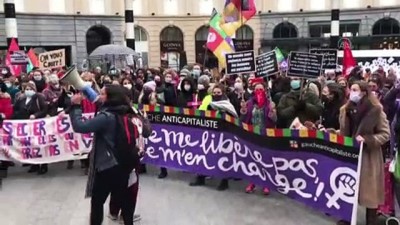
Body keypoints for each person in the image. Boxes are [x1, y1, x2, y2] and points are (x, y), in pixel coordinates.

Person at [69, 85, 138, 225]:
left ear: (110, 97)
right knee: (125, 201)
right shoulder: (127, 111)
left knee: (97, 202)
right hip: (124, 163)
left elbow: (80, 127)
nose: (99, 96)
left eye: (102, 94)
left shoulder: (106, 117)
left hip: (107, 164)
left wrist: (76, 107)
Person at [337, 80, 390, 225]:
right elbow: (343, 132)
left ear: (364, 92)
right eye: (351, 89)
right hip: (350, 155)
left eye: (355, 89)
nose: (352, 92)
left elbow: (385, 134)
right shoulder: (345, 110)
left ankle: (371, 220)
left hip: (369, 158)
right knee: (348, 186)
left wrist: (367, 139)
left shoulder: (376, 110)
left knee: (369, 193)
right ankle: (347, 218)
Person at [190, 84, 237, 191]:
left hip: (223, 133)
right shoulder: (208, 101)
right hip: (208, 131)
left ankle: (224, 181)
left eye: (218, 93)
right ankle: (200, 177)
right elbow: (201, 112)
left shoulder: (227, 103)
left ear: (223, 93)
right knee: (204, 154)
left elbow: (233, 116)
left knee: (222, 157)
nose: (216, 95)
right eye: (214, 93)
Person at [241, 78, 276, 195]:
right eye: (256, 89)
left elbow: (275, 120)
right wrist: (244, 110)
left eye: (261, 89)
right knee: (253, 159)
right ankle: (252, 182)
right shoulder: (249, 103)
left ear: (265, 90)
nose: (259, 91)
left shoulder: (270, 103)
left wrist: (272, 112)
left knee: (265, 160)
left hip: (266, 134)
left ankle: (266, 184)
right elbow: (244, 119)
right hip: (253, 134)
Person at [12, 82, 48, 174]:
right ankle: (34, 165)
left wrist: (35, 115)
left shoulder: (39, 98)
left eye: (30, 89)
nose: (28, 91)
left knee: (39, 146)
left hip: (37, 126)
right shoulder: (21, 99)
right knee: (30, 146)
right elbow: (16, 110)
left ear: (34, 90)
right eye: (27, 89)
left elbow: (44, 110)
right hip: (26, 127)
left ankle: (43, 166)